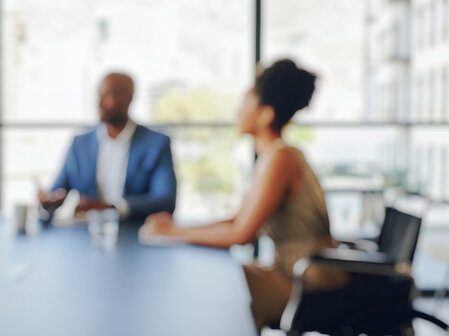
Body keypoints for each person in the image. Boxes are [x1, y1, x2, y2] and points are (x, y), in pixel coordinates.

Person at [142, 60, 347, 332]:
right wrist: (176, 228)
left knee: (215, 289)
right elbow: (237, 220)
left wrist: (171, 234)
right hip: (293, 273)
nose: (237, 112)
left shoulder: (280, 158)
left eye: (245, 104)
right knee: (213, 282)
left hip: (305, 282)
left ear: (265, 115)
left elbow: (241, 235)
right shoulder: (274, 155)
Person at [39, 72, 177, 220]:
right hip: (86, 235)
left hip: (135, 235)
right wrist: (50, 200)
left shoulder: (156, 144)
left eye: (108, 95)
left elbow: (166, 201)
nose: (100, 103)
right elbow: (58, 190)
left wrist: (110, 207)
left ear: (128, 98)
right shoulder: (80, 144)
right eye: (99, 95)